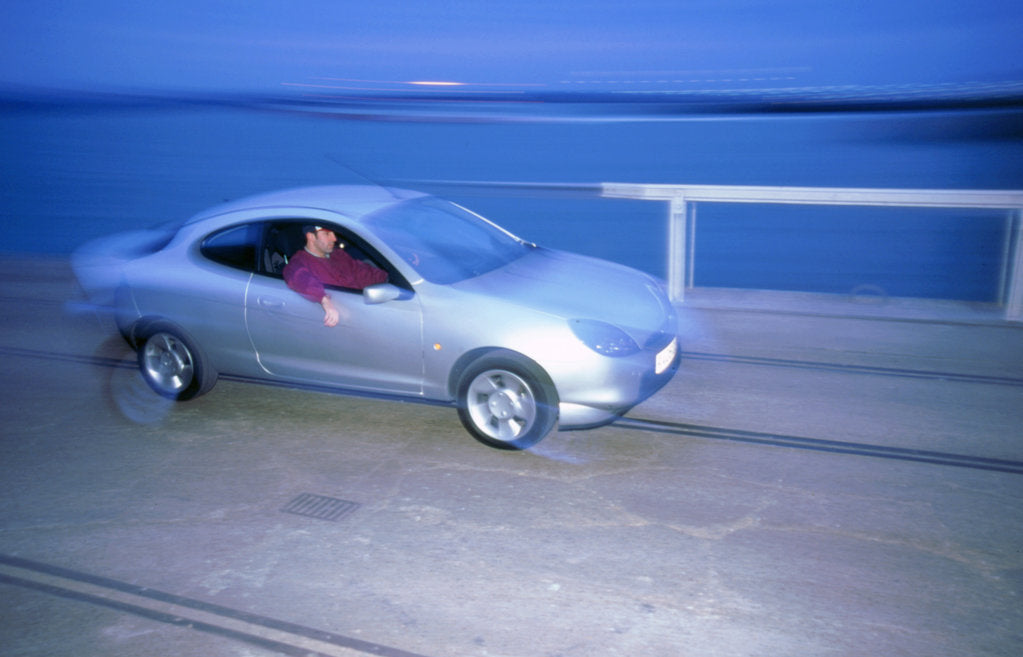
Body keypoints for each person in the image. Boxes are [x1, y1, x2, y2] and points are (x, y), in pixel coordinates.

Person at [283, 225, 388, 327]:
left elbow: (363, 273)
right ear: (311, 237)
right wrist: (324, 300)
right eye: (327, 234)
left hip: (361, 309)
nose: (334, 238)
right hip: (345, 321)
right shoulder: (299, 262)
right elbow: (298, 277)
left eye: (333, 233)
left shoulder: (338, 255)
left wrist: (389, 279)